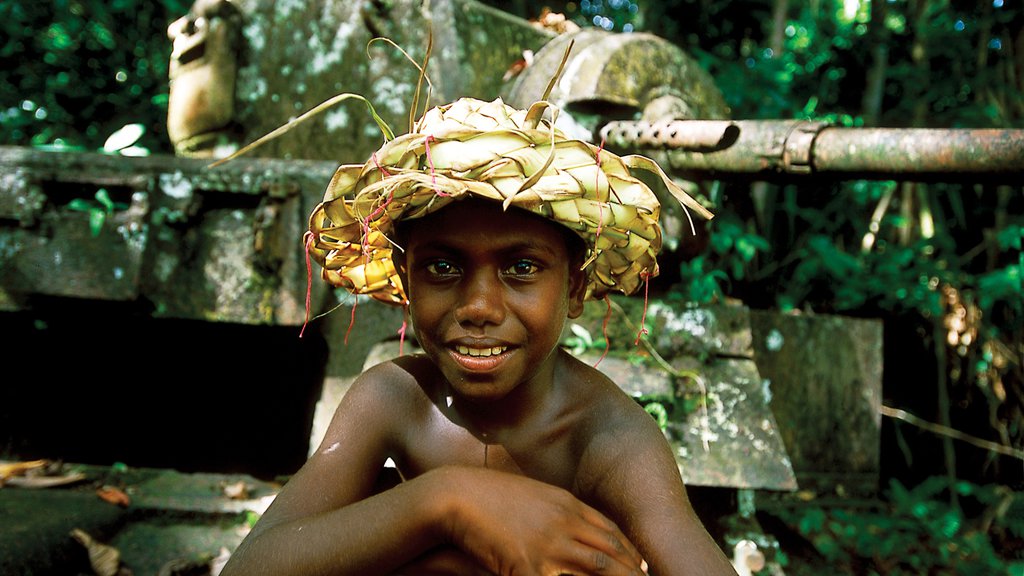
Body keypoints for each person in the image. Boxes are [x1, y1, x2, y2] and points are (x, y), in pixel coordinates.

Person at [220, 97, 737, 576]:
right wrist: (446, 502)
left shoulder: (609, 438)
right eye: (443, 266)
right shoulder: (395, 399)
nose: (479, 308)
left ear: (574, 287)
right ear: (405, 282)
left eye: (522, 267)